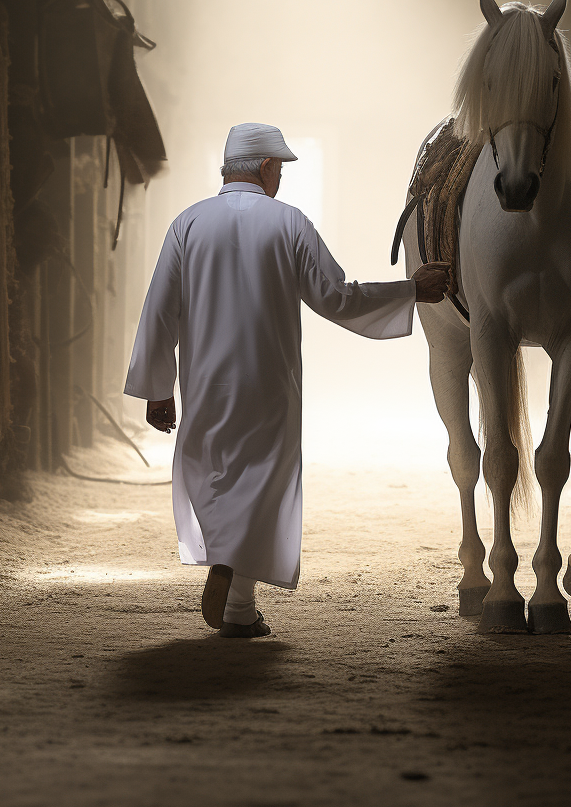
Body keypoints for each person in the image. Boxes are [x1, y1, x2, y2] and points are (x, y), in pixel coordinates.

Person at [125, 123, 450, 637]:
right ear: (267, 168)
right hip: (269, 382)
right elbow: (337, 296)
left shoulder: (185, 225)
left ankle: (234, 596)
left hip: (206, 382)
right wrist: (410, 289)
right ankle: (237, 598)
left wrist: (157, 388)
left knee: (213, 476)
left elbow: (159, 310)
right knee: (262, 483)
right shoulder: (289, 223)